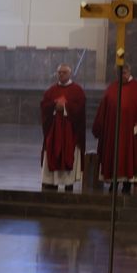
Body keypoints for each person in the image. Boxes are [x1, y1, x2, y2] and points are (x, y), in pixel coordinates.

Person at [92, 64, 137, 193]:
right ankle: (114, 183)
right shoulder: (112, 88)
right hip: (113, 132)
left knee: (127, 157)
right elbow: (103, 109)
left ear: (129, 72)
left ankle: (126, 185)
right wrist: (100, 128)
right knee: (114, 157)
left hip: (131, 133)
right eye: (119, 73)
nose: (122, 75)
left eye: (124, 73)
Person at [39, 64, 86, 192]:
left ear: (70, 74)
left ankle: (68, 184)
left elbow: (80, 109)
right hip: (54, 133)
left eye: (64, 72)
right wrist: (54, 106)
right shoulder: (51, 91)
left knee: (69, 155)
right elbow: (44, 105)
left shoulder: (77, 91)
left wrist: (66, 107)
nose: (61, 75)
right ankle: (51, 182)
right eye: (59, 72)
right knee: (52, 153)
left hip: (70, 134)